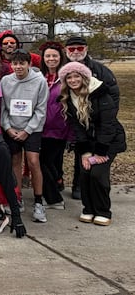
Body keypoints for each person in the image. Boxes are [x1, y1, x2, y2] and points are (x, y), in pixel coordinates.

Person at [59, 62, 126, 226]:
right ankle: (88, 208)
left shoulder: (100, 93)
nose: (73, 80)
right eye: (69, 77)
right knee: (85, 172)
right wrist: (86, 152)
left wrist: (101, 152)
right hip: (88, 141)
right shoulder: (69, 97)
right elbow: (77, 127)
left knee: (98, 174)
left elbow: (108, 124)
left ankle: (103, 211)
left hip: (108, 141)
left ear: (84, 77)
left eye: (76, 76)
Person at [1, 49, 49, 222]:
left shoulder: (39, 81)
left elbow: (41, 109)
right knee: (15, 161)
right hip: (12, 128)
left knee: (33, 161)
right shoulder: (5, 81)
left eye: (22, 63)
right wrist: (7, 128)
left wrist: (27, 130)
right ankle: (17, 197)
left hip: (32, 129)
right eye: (15, 63)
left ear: (29, 64)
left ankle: (38, 201)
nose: (18, 67)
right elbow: (3, 108)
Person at [39, 42, 70, 207]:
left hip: (59, 128)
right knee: (47, 162)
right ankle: (53, 191)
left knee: (46, 161)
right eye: (48, 56)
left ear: (60, 57)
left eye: (54, 56)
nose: (51, 59)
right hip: (40, 126)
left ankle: (53, 199)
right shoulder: (39, 76)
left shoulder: (66, 77)